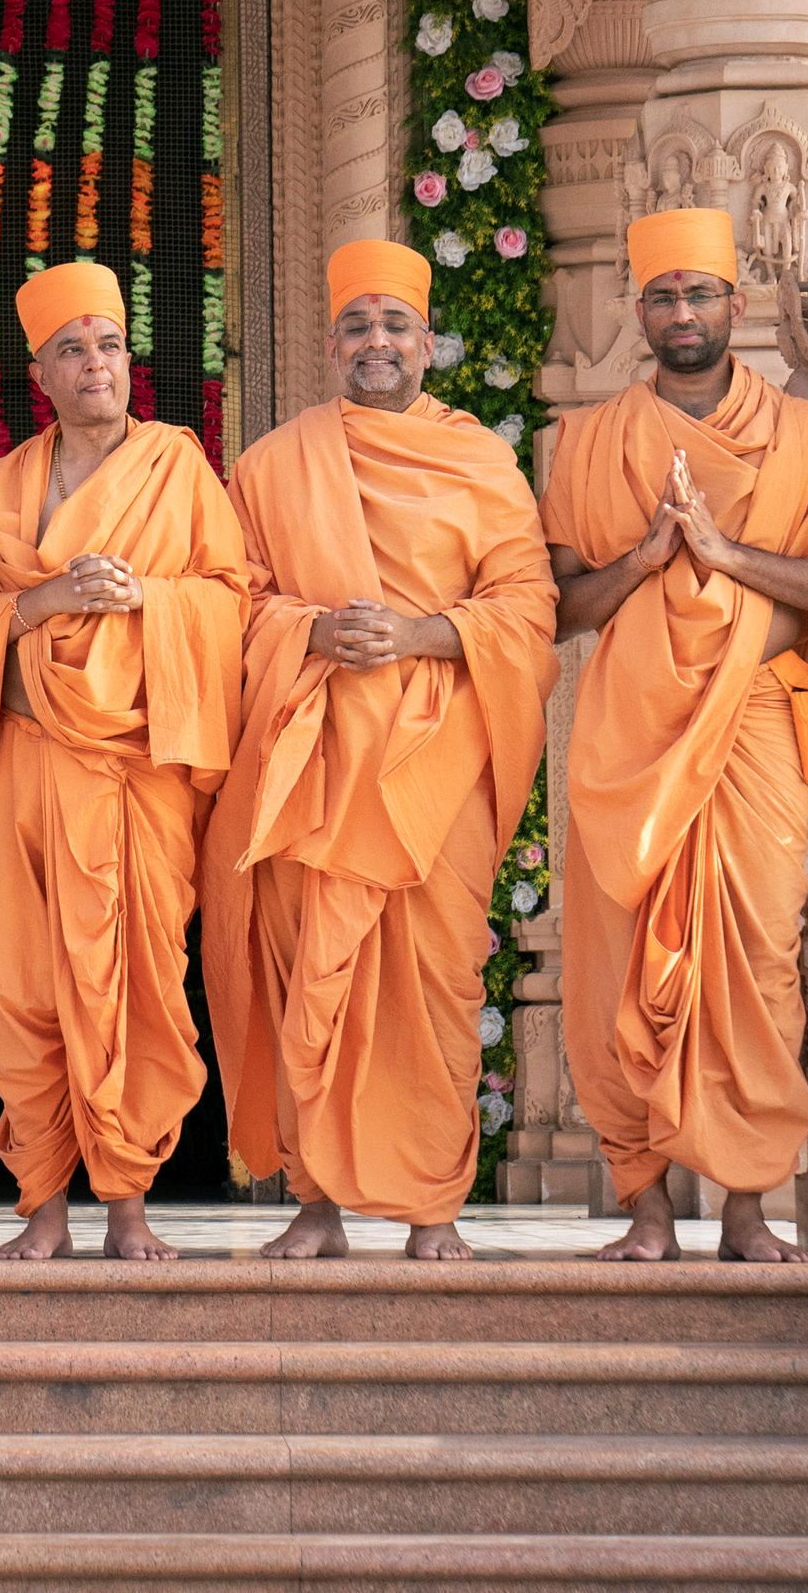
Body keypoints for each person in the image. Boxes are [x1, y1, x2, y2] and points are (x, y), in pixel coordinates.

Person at [539, 208, 808, 1263]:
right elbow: (559, 606)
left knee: (751, 962)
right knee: (615, 970)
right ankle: (645, 1211)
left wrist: (725, 553)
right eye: (661, 296)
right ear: (636, 311)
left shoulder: (802, 435)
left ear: (735, 307)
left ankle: (745, 1208)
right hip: (627, 733)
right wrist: (649, 557)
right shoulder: (591, 439)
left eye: (699, 294)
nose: (680, 313)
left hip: (751, 727)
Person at [199, 240, 556, 1261]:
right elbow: (231, 604)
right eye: (356, 325)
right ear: (328, 344)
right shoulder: (272, 466)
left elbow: (525, 607)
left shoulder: (479, 462)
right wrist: (308, 631)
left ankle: (432, 1208)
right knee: (312, 978)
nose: (375, 342)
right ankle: (315, 1206)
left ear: (425, 344)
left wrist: (419, 635)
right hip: (312, 764)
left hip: (434, 762)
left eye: (393, 325)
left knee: (435, 981)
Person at [0, 262, 251, 1261]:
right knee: (25, 987)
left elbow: (232, 597)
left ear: (127, 359)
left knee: (133, 982)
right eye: (70, 349)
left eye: (106, 345)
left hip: (135, 769)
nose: (92, 364)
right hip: (24, 762)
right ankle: (43, 1208)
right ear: (40, 375)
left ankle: (127, 1204)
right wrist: (44, 601)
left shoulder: (177, 466)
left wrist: (147, 602)